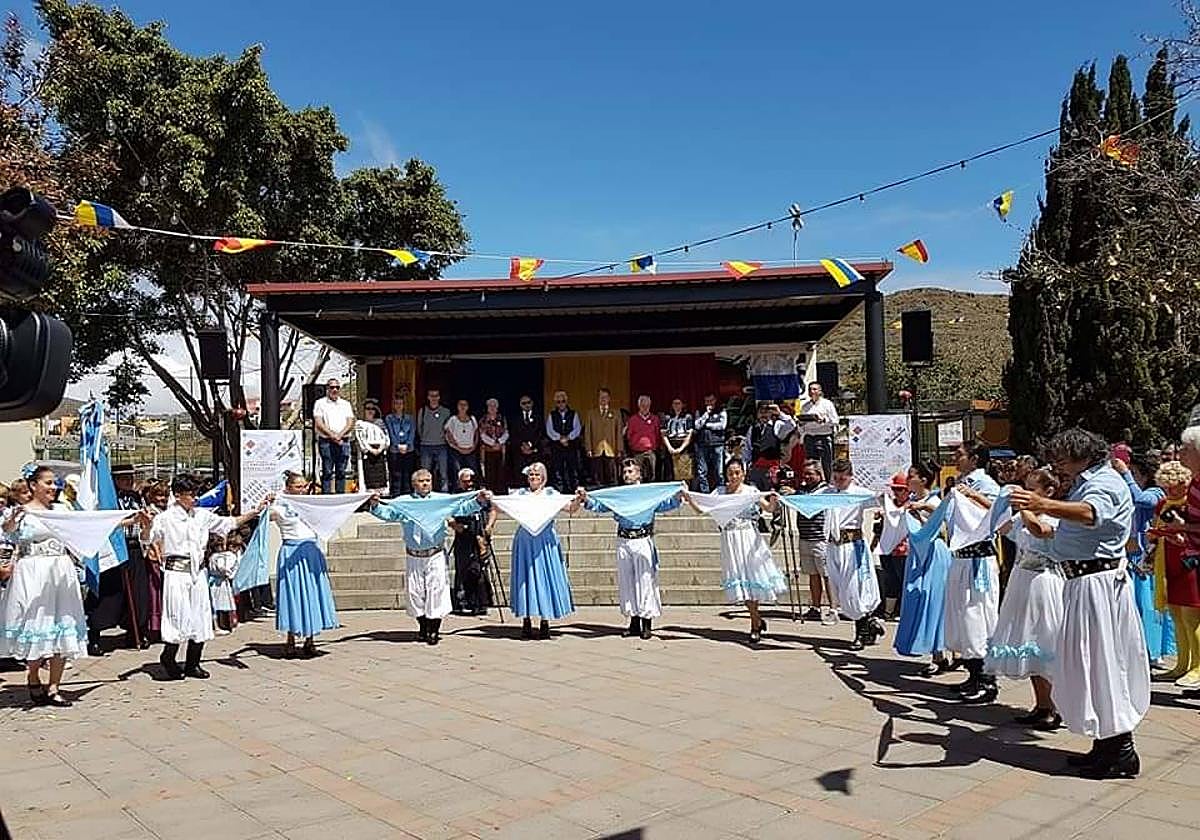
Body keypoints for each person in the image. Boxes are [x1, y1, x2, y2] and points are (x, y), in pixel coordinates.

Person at [1011, 428, 1146, 780]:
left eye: (1062, 460)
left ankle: (1120, 751)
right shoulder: (1088, 482)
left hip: (1097, 585)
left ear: (1083, 454)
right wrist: (1039, 518)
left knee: (1103, 663)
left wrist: (1044, 504)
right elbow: (1070, 531)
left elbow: (1090, 514)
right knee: (1089, 665)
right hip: (1081, 582)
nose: (1058, 468)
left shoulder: (1105, 482)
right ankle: (1104, 744)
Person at [146, 475, 266, 680]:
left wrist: (254, 511)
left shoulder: (201, 516)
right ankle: (169, 656)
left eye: (195, 494)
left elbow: (228, 523)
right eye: (189, 494)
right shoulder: (164, 518)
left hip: (198, 573)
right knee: (178, 615)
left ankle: (193, 663)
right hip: (177, 572)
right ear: (177, 495)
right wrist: (146, 526)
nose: (194, 498)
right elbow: (149, 537)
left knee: (199, 616)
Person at [0, 466, 95, 706]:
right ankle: (32, 675)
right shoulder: (22, 512)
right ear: (34, 485)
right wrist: (12, 520)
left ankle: (54, 686)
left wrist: (126, 520)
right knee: (37, 623)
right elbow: (8, 532)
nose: (54, 488)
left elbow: (88, 525)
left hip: (60, 570)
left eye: (55, 483)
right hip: (33, 573)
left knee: (62, 623)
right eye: (49, 483)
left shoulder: (62, 510)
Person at [984, 468, 1064, 731]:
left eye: (1031, 488)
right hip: (1022, 581)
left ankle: (1057, 706)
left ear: (1048, 492)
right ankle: (1041, 705)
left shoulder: (1055, 516)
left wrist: (1025, 508)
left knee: (1045, 642)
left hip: (1043, 583)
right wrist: (994, 501)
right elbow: (1000, 526)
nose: (1025, 493)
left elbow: (1040, 530)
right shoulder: (1021, 517)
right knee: (1027, 643)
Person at [369, 469, 485, 644]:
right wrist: (375, 505)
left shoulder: (440, 500)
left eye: (428, 480)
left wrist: (478, 501)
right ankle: (423, 625)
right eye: (421, 481)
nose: (425, 484)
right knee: (415, 593)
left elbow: (461, 507)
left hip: (435, 553)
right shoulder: (405, 502)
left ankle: (434, 629)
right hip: (414, 555)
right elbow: (389, 513)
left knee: (436, 590)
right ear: (414, 483)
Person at [581, 459, 684, 639]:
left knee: (645, 581)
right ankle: (633, 620)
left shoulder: (648, 494)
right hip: (624, 539)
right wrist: (586, 498)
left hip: (642, 539)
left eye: (631, 471)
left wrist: (678, 494)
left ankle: (647, 622)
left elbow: (667, 503)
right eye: (625, 472)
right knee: (627, 581)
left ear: (639, 474)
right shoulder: (619, 495)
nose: (627, 475)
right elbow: (601, 505)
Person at [695, 457, 785, 644]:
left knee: (752, 579)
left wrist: (774, 499)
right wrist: (687, 496)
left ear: (743, 473)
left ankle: (754, 623)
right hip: (730, 540)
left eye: (737, 472)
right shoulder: (720, 492)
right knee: (741, 582)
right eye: (730, 473)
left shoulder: (750, 491)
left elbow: (768, 508)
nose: (734, 476)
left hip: (748, 538)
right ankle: (757, 619)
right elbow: (702, 508)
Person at [945, 441, 1001, 703]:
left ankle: (987, 681)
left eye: (960, 455)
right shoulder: (960, 482)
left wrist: (972, 496)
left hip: (978, 559)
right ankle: (973, 673)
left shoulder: (986, 484)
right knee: (962, 617)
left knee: (977, 617)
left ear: (975, 458)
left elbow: (998, 511)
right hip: (961, 558)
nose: (955, 459)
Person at [271, 470, 340, 657]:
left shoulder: (312, 505)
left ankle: (310, 640)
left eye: (304, 486)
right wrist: (268, 502)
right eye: (297, 487)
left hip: (311, 552)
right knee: (293, 594)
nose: (301, 490)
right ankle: (291, 639)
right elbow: (263, 516)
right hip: (291, 552)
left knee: (311, 594)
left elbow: (336, 508)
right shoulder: (279, 507)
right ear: (288, 488)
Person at [894, 460, 954, 674]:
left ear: (924, 480)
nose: (908, 479)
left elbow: (941, 517)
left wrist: (921, 508)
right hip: (916, 555)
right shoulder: (910, 499)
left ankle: (940, 654)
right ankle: (934, 651)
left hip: (933, 553)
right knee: (917, 597)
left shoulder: (934, 500)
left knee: (933, 600)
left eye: (912, 476)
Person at [509, 462, 581, 638]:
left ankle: (545, 620)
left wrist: (579, 498)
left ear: (543, 477)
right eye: (531, 475)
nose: (534, 478)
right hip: (525, 540)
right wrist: (490, 498)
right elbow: (502, 505)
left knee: (545, 577)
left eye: (537, 475)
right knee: (525, 578)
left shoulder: (551, 494)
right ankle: (525, 619)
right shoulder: (520, 494)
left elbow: (570, 508)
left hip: (545, 540)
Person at [1117, 452, 1174, 668]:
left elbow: (1142, 500)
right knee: (1135, 605)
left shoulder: (1156, 491)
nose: (1131, 476)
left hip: (1147, 557)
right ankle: (1138, 649)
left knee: (1148, 606)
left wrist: (1125, 475)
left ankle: (1154, 651)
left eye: (1135, 473)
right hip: (1133, 556)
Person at [822, 459, 884, 650]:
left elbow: (881, 500)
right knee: (841, 589)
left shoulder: (859, 493)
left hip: (852, 545)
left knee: (854, 589)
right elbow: (809, 501)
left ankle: (861, 633)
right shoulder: (827, 492)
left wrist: (883, 507)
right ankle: (870, 623)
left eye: (843, 478)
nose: (839, 482)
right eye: (836, 478)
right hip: (833, 544)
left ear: (850, 477)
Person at [1148, 458, 1198, 685]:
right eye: (1166, 485)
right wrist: (1156, 534)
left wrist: (1180, 535)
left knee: (1191, 617)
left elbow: (1191, 533)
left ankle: (1197, 668)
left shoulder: (1191, 503)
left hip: (1188, 562)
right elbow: (1157, 529)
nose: (1170, 489)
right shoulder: (1162, 504)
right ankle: (1182, 664)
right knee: (1176, 615)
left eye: (1174, 484)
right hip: (1167, 561)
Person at [112, 464, 151, 649]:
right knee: (113, 592)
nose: (128, 481)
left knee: (139, 592)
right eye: (123, 478)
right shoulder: (109, 499)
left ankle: (137, 630)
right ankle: (96, 631)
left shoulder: (137, 497)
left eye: (130, 477)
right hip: (116, 547)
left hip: (135, 547)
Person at [449, 468, 497, 615]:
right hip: (463, 536)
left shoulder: (482, 494)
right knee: (463, 568)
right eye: (465, 481)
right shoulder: (456, 496)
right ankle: (461, 602)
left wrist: (489, 526)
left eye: (470, 480)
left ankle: (482, 602)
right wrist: (455, 526)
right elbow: (447, 515)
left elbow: (492, 510)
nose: (468, 483)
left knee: (480, 569)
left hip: (480, 534)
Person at [794, 461, 833, 622]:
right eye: (805, 474)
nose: (807, 477)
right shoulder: (803, 489)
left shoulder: (826, 490)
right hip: (805, 537)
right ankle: (815, 607)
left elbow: (811, 503)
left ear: (819, 474)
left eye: (811, 473)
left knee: (827, 575)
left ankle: (833, 608)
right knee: (812, 574)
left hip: (820, 539)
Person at [873, 472, 911, 622]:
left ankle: (902, 610)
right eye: (894, 489)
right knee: (890, 580)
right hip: (886, 548)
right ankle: (888, 611)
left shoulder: (911, 504)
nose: (896, 492)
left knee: (903, 580)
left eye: (900, 489)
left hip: (903, 549)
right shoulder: (888, 505)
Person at [313, 378, 356, 494]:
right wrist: (332, 435)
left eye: (337, 387)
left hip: (343, 441)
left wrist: (340, 435)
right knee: (327, 471)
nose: (335, 390)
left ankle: (340, 496)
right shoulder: (320, 403)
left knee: (341, 471)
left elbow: (350, 421)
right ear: (327, 389)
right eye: (332, 387)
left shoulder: (346, 404)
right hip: (326, 442)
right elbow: (319, 422)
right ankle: (326, 498)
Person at [743, 401, 797, 491]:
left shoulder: (777, 425)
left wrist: (780, 413)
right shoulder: (753, 428)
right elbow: (747, 449)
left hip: (771, 469)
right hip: (755, 469)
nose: (763, 415)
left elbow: (791, 425)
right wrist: (745, 468)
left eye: (766, 411)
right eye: (761, 412)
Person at [141, 480, 169, 641]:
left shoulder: (169, 512)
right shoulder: (150, 512)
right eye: (158, 495)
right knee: (155, 592)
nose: (162, 498)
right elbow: (149, 536)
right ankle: (154, 627)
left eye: (164, 495)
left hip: (168, 555)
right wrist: (157, 552)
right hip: (154, 556)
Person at [798, 381, 839, 481]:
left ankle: (829, 483)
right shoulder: (805, 406)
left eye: (814, 389)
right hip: (809, 437)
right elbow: (801, 423)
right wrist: (801, 423)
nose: (812, 392)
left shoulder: (827, 404)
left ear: (820, 391)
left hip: (824, 436)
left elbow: (835, 421)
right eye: (810, 389)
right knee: (811, 463)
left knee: (827, 462)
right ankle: (814, 482)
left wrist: (824, 420)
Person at [545, 391, 583, 492]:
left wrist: (568, 438)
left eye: (563, 401)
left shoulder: (573, 414)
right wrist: (560, 438)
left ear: (566, 402)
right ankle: (560, 491)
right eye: (558, 402)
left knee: (572, 470)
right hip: (557, 447)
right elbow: (550, 430)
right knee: (558, 470)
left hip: (571, 446)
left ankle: (574, 491)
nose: (561, 404)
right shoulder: (552, 415)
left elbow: (577, 429)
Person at [585, 387, 622, 488]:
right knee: (597, 476)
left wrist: (619, 449)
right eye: (601, 397)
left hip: (611, 449)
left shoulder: (616, 413)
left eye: (605, 397)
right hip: (596, 449)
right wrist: (588, 448)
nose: (603, 399)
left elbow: (618, 432)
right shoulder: (591, 413)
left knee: (611, 475)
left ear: (609, 398)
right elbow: (588, 432)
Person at [417, 389, 453, 492]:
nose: (434, 398)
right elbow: (419, 429)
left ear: (439, 397)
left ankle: (444, 494)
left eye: (436, 395)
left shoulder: (446, 412)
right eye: (431, 396)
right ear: (428, 397)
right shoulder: (422, 411)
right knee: (425, 474)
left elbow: (448, 429)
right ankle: (425, 493)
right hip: (426, 446)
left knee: (443, 474)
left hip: (441, 445)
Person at [693, 393, 727, 494]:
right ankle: (705, 493)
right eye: (707, 401)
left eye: (711, 401)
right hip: (702, 445)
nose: (709, 403)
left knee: (719, 472)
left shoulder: (722, 411)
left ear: (715, 400)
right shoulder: (700, 412)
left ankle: (720, 492)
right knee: (702, 472)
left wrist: (708, 425)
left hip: (717, 444)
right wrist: (706, 415)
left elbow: (722, 425)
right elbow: (697, 426)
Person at [207, 532, 240, 636]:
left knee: (216, 604)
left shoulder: (212, 556)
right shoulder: (219, 557)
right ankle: (221, 625)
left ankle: (218, 624)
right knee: (221, 604)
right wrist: (228, 573)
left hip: (214, 581)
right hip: (219, 583)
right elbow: (222, 568)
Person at [384, 394, 416, 497]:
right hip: (395, 450)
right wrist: (397, 445)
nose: (398, 405)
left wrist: (407, 444)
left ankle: (407, 495)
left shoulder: (410, 418)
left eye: (400, 403)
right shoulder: (389, 418)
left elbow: (412, 432)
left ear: (403, 405)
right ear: (393, 405)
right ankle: (396, 495)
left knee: (407, 474)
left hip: (408, 450)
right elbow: (390, 432)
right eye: (396, 403)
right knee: (396, 475)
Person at [355, 401, 390, 491]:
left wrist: (381, 448)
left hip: (380, 452)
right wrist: (370, 450)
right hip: (367, 453)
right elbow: (360, 438)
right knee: (367, 478)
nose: (370, 411)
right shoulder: (360, 424)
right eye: (368, 409)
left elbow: (386, 437)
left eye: (372, 409)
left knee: (381, 479)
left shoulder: (380, 422)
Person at [662, 398, 694, 487]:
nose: (676, 406)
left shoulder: (688, 417)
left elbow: (689, 435)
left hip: (684, 447)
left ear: (682, 405)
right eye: (674, 403)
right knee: (670, 474)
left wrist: (681, 448)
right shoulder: (667, 417)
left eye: (678, 403)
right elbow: (663, 434)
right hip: (670, 446)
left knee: (684, 474)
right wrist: (669, 448)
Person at [479, 399, 509, 492]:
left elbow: (506, 432)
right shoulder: (483, 419)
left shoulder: (502, 418)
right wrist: (492, 443)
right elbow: (482, 434)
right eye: (490, 406)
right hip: (488, 450)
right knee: (490, 473)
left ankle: (500, 492)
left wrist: (499, 442)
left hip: (500, 450)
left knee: (501, 472)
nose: (492, 408)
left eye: (494, 406)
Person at [445, 399, 480, 480]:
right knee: (457, 472)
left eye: (465, 405)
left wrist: (474, 446)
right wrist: (457, 447)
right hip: (456, 451)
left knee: (472, 472)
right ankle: (458, 489)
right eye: (461, 404)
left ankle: (472, 488)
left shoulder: (472, 419)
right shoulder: (453, 419)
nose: (463, 407)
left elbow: (476, 433)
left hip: (470, 450)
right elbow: (448, 434)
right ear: (457, 406)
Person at [512, 395, 544, 484]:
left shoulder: (538, 416)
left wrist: (530, 445)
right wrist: (522, 445)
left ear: (532, 403)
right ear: (520, 405)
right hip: (520, 452)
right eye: (524, 403)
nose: (527, 405)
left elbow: (540, 433)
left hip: (535, 451)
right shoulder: (515, 418)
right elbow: (514, 434)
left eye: (528, 402)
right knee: (521, 474)